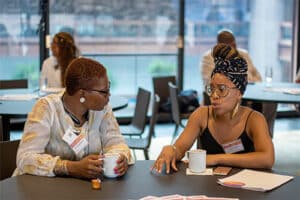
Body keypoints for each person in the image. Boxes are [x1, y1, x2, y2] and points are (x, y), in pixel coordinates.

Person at [152, 44, 274, 174]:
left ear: (239, 93)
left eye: (222, 89)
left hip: (244, 189)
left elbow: (267, 159)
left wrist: (217, 158)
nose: (214, 96)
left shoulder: (254, 119)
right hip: (207, 188)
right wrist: (172, 149)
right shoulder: (201, 115)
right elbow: (180, 148)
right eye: (211, 89)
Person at [14, 57, 132, 179]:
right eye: (104, 92)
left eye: (109, 88)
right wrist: (70, 167)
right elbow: (25, 158)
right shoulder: (46, 108)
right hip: (42, 189)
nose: (109, 95)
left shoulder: (102, 109)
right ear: (82, 94)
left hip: (85, 190)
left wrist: (119, 158)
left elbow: (117, 143)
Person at [201, 29, 277, 138]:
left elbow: (258, 77)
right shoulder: (209, 57)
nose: (234, 48)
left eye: (234, 44)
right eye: (230, 46)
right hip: (226, 95)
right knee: (239, 102)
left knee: (271, 103)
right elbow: (209, 82)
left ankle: (265, 137)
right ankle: (241, 137)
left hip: (249, 92)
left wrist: (246, 81)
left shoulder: (243, 54)